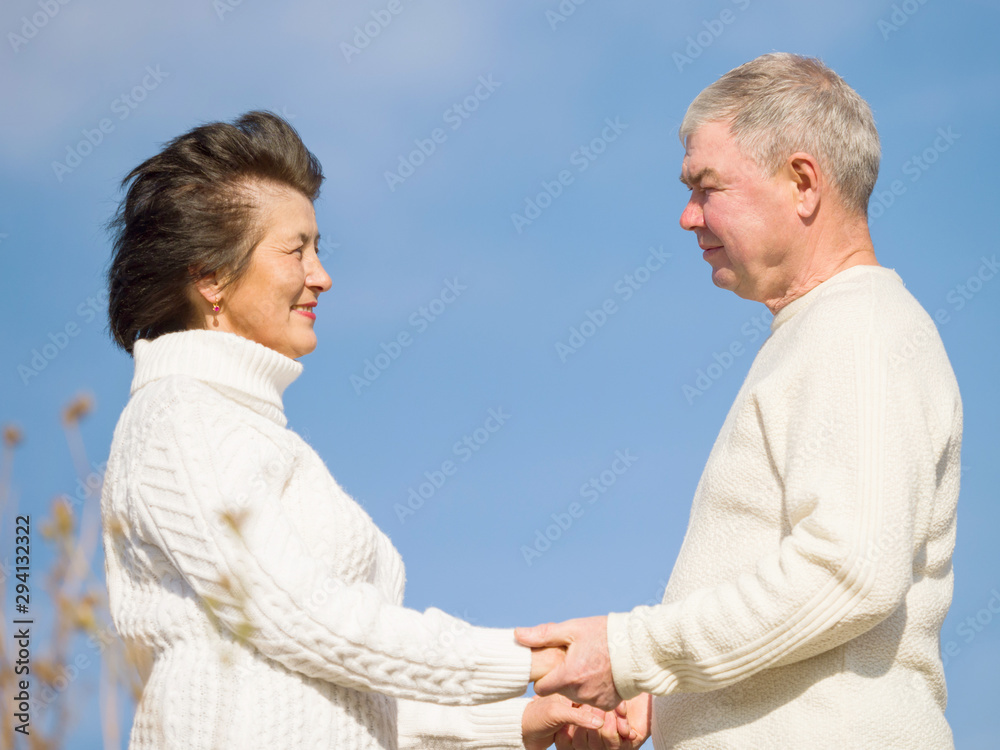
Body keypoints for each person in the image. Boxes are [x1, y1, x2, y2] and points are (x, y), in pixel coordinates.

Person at [99, 110, 633, 749]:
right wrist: (535, 663)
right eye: (296, 249)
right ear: (211, 276)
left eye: (318, 248)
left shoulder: (250, 430)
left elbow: (336, 689)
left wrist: (520, 723)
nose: (321, 275)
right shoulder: (181, 418)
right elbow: (295, 614)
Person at [518, 52, 963, 749]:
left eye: (706, 187)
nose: (688, 216)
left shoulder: (860, 327)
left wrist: (632, 653)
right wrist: (666, 697)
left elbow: (849, 569)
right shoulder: (823, 332)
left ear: (803, 182)